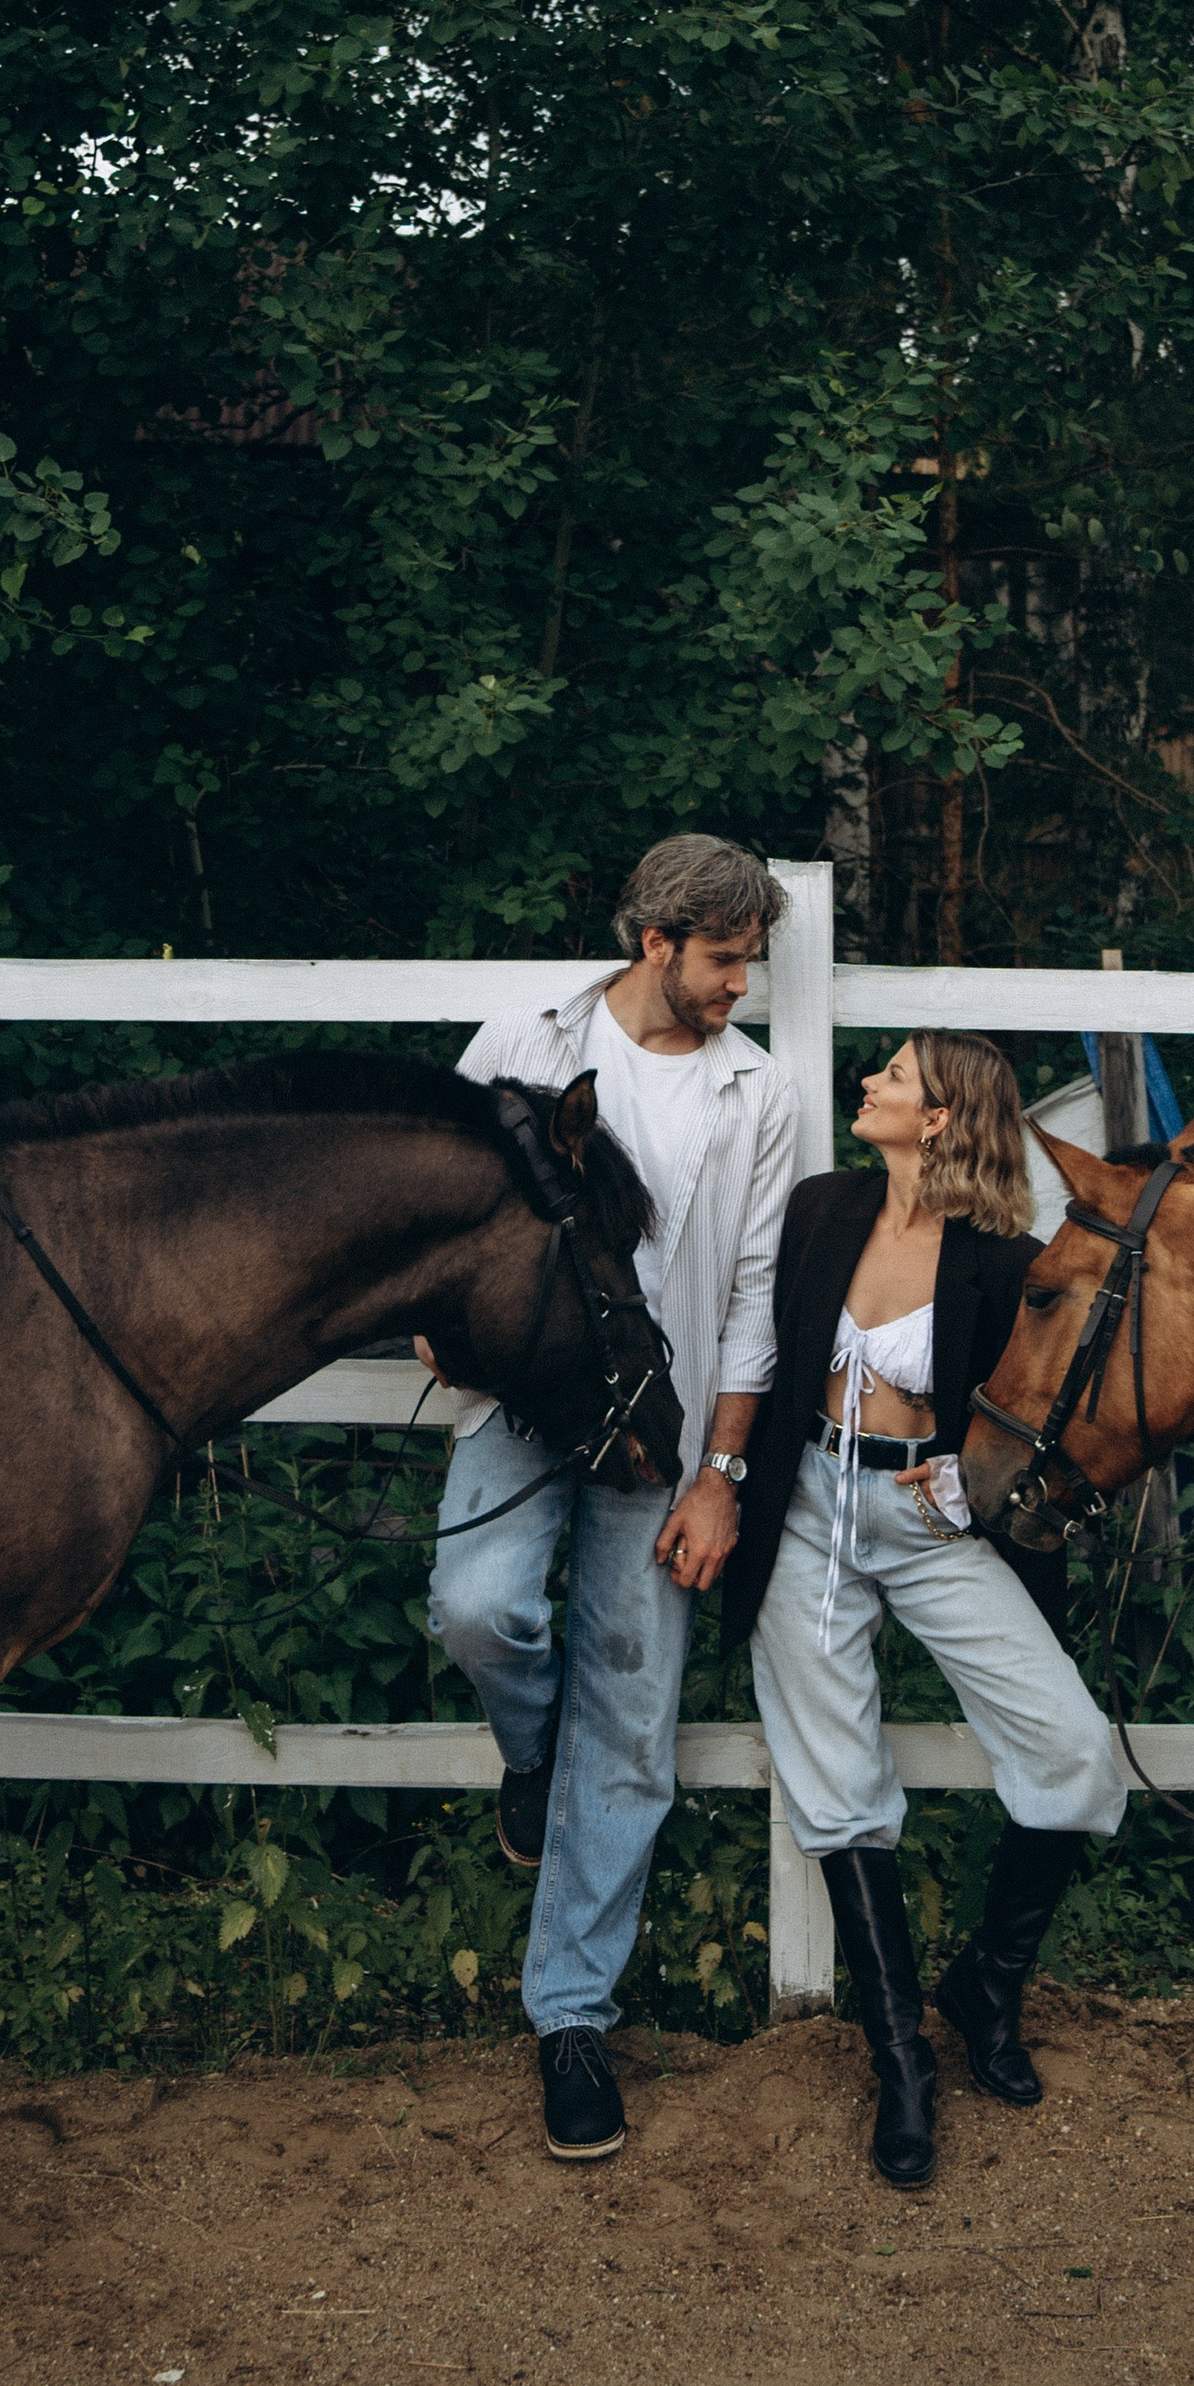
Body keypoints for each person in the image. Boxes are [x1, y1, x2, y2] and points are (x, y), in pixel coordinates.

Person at [425, 833, 802, 2163]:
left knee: (633, 1726)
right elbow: (440, 1197)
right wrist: (438, 1318)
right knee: (476, 1608)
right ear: (655, 941)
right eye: (724, 959)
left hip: (668, 1430)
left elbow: (755, 1297)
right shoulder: (524, 1038)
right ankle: (534, 1758)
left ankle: (572, 2017)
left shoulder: (759, 1092)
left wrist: (723, 1477)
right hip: (526, 1398)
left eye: (752, 961)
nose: (740, 985)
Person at [723, 1032, 1126, 2188]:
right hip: (805, 1508)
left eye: (893, 1076)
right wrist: (724, 1473)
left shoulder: (1006, 1259)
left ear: (941, 1117)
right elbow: (758, 1341)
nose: (869, 1083)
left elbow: (1062, 1411)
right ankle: (900, 2060)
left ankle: (987, 1984)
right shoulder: (822, 1208)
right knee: (835, 1782)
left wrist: (966, 1479)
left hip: (931, 1524)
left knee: (1073, 1746)